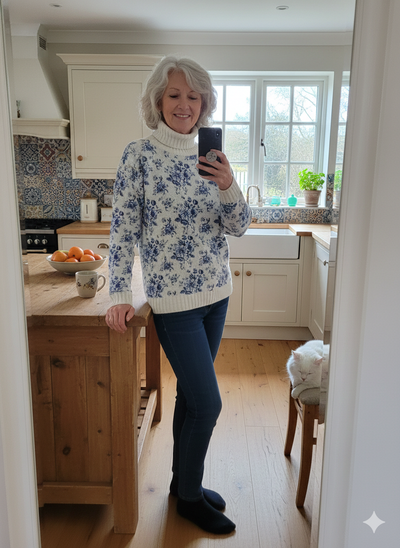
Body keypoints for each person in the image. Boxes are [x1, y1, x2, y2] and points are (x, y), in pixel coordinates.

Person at [105, 55, 252, 535]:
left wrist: (229, 185)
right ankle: (189, 498)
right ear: (158, 100)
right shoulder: (139, 155)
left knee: (192, 396)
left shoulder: (213, 159)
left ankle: (183, 484)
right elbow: (123, 229)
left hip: (217, 294)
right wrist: (119, 293)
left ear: (205, 104)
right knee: (208, 404)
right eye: (174, 94)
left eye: (194, 96)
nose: (184, 104)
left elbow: (239, 227)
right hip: (175, 305)